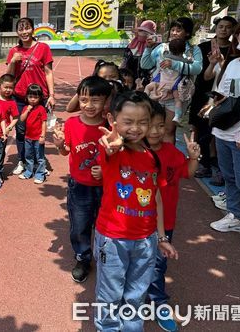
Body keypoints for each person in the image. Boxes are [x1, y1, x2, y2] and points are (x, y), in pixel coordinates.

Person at [94, 91, 178, 331]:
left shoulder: (151, 156)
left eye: (142, 122)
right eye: (128, 122)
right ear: (112, 120)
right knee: (110, 294)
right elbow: (109, 148)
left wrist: (161, 237)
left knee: (136, 294)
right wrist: (112, 145)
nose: (136, 128)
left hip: (145, 239)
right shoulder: (113, 149)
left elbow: (157, 198)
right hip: (112, 239)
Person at [146, 102, 199, 332]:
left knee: (158, 265)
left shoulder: (171, 153)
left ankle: (158, 303)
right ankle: (127, 302)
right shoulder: (129, 152)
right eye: (150, 126)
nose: (156, 131)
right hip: (132, 223)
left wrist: (194, 157)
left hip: (163, 224)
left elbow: (187, 172)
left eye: (161, 125)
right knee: (130, 264)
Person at [53, 76, 112, 283]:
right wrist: (60, 144)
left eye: (96, 100)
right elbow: (65, 151)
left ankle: (107, 258)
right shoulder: (71, 123)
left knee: (107, 225)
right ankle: (83, 257)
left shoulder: (111, 126)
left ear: (106, 101)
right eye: (84, 99)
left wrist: (106, 171)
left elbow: (121, 157)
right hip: (79, 186)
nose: (89, 105)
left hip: (108, 187)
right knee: (80, 226)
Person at [208, 17, 240, 252]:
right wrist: (210, 110)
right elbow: (222, 92)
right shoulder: (234, 63)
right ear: (238, 36)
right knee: (231, 177)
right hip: (225, 130)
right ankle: (235, 216)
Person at [189, 16, 238, 180]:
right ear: (215, 28)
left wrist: (222, 63)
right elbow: (204, 75)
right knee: (200, 128)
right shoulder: (203, 47)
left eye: (228, 27)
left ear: (233, 30)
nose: (224, 30)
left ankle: (216, 165)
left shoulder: (236, 50)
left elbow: (232, 77)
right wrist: (212, 62)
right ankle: (203, 163)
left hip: (223, 96)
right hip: (203, 94)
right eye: (221, 26)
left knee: (215, 131)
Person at [6, 17, 55, 176]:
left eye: (27, 28)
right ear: (17, 32)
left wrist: (52, 95)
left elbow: (48, 72)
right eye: (20, 28)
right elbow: (8, 77)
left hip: (39, 98)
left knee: (38, 131)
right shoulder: (14, 51)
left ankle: (39, 162)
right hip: (20, 98)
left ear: (32, 29)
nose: (24, 31)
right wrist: (13, 61)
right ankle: (22, 160)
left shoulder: (43, 48)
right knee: (21, 132)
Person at [141, 17, 203, 142]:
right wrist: (148, 48)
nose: (174, 33)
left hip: (177, 95)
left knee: (169, 130)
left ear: (187, 33)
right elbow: (145, 65)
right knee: (152, 127)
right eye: (172, 30)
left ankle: (168, 159)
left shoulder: (193, 50)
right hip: (158, 93)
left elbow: (197, 68)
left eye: (178, 30)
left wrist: (174, 64)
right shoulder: (162, 48)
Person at [144, 38, 189, 124]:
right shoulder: (184, 61)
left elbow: (158, 67)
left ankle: (145, 101)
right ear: (183, 50)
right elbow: (190, 66)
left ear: (170, 49)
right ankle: (177, 116)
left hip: (162, 82)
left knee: (148, 87)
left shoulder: (164, 58)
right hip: (175, 85)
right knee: (177, 100)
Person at [18, 84, 48, 184]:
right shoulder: (26, 107)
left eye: (36, 97)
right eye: (30, 97)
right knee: (28, 156)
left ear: (40, 98)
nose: (33, 99)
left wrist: (43, 135)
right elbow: (22, 119)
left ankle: (40, 174)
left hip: (38, 137)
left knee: (39, 157)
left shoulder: (41, 109)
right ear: (27, 97)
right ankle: (28, 172)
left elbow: (44, 122)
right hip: (28, 137)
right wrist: (27, 110)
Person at [121, 19, 157, 84]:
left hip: (147, 80)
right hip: (129, 80)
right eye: (140, 30)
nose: (142, 33)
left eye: (145, 32)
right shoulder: (131, 45)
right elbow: (124, 61)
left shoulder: (155, 48)